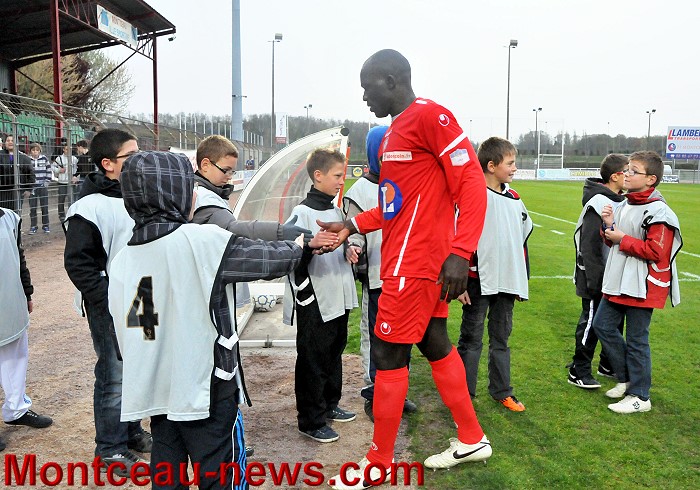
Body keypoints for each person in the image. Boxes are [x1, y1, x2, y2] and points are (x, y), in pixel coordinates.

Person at [322, 49, 490, 488]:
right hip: (407, 260)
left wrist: (461, 252)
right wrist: (351, 225)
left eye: (368, 87)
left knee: (387, 355)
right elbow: (395, 207)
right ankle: (471, 437)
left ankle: (378, 462)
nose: (364, 97)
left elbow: (472, 183)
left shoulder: (431, 117)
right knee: (435, 343)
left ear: (392, 81)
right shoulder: (393, 134)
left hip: (415, 264)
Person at [108, 151, 322, 489]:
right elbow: (269, 261)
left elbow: (123, 338)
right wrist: (299, 244)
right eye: (188, 186)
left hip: (157, 390)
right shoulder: (201, 240)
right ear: (175, 193)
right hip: (206, 389)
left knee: (167, 470)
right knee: (221, 474)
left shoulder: (122, 260)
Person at [191, 134, 312, 456]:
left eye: (233, 171)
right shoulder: (203, 200)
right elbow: (236, 231)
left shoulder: (207, 194)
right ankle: (226, 446)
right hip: (207, 301)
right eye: (226, 170)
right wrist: (282, 234)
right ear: (205, 164)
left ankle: (224, 442)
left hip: (208, 296)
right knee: (219, 376)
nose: (231, 177)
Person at [63, 128, 151, 475]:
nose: (140, 160)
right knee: (114, 374)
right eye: (132, 156)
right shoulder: (88, 207)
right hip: (109, 306)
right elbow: (79, 264)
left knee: (138, 368)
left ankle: (131, 432)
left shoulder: (141, 197)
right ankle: (110, 449)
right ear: (108, 164)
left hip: (143, 298)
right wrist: (108, 300)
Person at [593, 151, 682, 414]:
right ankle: (627, 379)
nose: (627, 174)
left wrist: (621, 238)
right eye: (627, 169)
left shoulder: (660, 211)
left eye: (634, 171)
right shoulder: (624, 204)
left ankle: (641, 396)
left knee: (636, 340)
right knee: (602, 325)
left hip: (643, 284)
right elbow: (613, 237)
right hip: (619, 280)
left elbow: (656, 252)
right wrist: (608, 226)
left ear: (651, 179)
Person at [282, 148, 358, 443]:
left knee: (333, 352)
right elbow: (287, 256)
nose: (341, 181)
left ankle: (329, 405)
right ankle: (310, 421)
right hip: (315, 298)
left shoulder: (336, 211)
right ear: (318, 176)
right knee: (312, 359)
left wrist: (349, 249)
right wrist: (309, 248)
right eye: (337, 175)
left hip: (338, 295)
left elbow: (341, 243)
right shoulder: (301, 213)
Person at [342, 126, 417, 422]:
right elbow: (353, 230)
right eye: (386, 152)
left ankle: (398, 393)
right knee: (376, 339)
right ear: (375, 153)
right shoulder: (359, 191)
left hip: (406, 277)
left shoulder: (406, 184)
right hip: (377, 278)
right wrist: (354, 247)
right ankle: (374, 395)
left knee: (404, 338)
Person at [456, 137, 533, 412]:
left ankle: (502, 391)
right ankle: (463, 395)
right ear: (491, 166)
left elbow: (521, 239)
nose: (514, 168)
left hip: (506, 282)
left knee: (501, 339)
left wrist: (520, 278)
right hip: (477, 281)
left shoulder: (514, 198)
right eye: (510, 163)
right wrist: (460, 282)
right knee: (471, 340)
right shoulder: (472, 195)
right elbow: (457, 238)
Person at [567, 154, 627, 389]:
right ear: (615, 176)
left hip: (614, 275)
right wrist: (596, 281)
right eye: (627, 171)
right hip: (596, 277)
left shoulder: (622, 200)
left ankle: (608, 364)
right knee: (591, 321)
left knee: (614, 320)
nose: (630, 175)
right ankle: (578, 369)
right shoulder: (597, 202)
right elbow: (589, 246)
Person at [1, 205, 52, 453]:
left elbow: (18, 255)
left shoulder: (10, 218)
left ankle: (16, 409)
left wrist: (27, 291)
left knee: (15, 354)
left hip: (10, 298)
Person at [0, 135, 34, 213]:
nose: (10, 142)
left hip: (18, 191)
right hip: (2, 191)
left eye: (12, 140)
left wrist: (29, 189)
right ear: (5, 143)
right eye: (8, 140)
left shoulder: (24, 158)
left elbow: (31, 174)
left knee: (15, 214)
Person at [27, 143, 51, 234]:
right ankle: (33, 226)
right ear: (30, 151)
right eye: (33, 150)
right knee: (33, 208)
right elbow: (26, 172)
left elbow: (49, 171)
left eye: (37, 150)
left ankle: (46, 226)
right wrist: (29, 185)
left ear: (40, 151)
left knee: (44, 207)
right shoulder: (28, 160)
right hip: (32, 188)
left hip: (42, 186)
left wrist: (46, 182)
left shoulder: (44, 159)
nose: (35, 152)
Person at [52, 142, 78, 222]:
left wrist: (75, 177)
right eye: (67, 149)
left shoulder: (74, 159)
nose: (68, 151)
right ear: (63, 149)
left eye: (70, 149)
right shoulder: (59, 158)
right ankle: (61, 215)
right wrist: (59, 170)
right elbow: (53, 167)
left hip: (71, 182)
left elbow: (77, 169)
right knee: (61, 199)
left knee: (72, 199)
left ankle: (72, 214)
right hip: (62, 182)